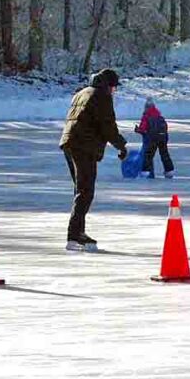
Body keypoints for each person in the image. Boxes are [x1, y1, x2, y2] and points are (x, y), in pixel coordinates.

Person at [60, 68, 126, 251]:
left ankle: (77, 232)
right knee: (85, 191)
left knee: (80, 190)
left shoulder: (82, 93)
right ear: (108, 85)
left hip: (70, 143)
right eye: (114, 87)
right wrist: (121, 146)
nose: (114, 91)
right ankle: (74, 235)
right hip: (83, 146)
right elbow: (107, 126)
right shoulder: (101, 96)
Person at [136, 97, 174, 179]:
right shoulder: (159, 116)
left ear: (146, 107)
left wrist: (138, 130)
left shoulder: (146, 116)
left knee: (148, 155)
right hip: (163, 137)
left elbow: (142, 128)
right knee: (164, 154)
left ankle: (145, 172)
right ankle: (169, 171)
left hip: (153, 138)